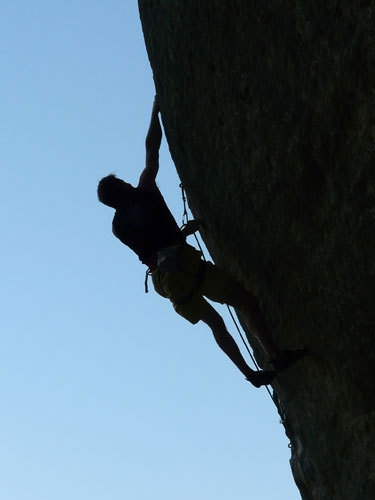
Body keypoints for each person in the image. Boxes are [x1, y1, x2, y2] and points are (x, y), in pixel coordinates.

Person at [97, 96, 307, 388]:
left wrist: (180, 234)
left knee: (215, 323)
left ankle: (250, 374)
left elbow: (152, 245)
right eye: (122, 183)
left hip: (166, 281)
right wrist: (155, 110)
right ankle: (275, 355)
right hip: (187, 265)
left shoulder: (117, 228)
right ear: (122, 187)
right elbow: (151, 150)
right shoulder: (144, 191)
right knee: (244, 301)